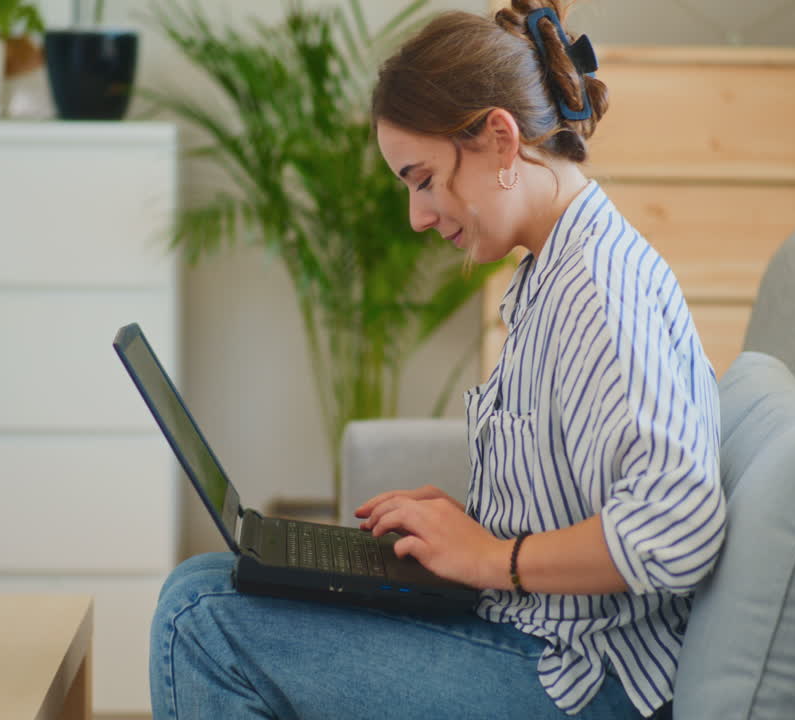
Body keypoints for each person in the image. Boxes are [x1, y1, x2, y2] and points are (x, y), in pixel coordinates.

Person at [150, 1, 725, 717]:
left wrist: (491, 558)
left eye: (423, 179)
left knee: (197, 620)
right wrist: (473, 529)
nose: (419, 217)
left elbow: (680, 530)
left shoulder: (602, 295)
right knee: (207, 584)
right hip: (535, 641)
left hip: (579, 683)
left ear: (499, 140)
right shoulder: (556, 269)